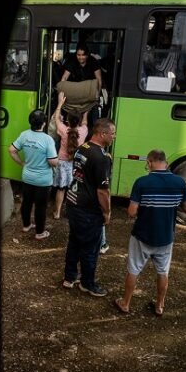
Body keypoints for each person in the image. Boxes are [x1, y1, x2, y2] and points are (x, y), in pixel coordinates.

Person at [114, 149, 186, 317]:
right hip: (165, 236)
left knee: (133, 269)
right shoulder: (179, 182)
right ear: (166, 163)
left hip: (142, 234)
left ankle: (125, 303)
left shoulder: (142, 182)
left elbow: (131, 212)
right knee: (163, 271)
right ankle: (159, 305)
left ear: (149, 163)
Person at [62, 118, 115, 297]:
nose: (114, 136)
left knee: (74, 241)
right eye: (112, 133)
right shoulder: (101, 157)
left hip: (73, 202)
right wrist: (107, 212)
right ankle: (87, 283)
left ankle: (69, 277)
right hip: (88, 209)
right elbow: (103, 191)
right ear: (102, 134)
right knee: (91, 249)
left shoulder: (82, 148)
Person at [9, 109, 59, 240]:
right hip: (43, 180)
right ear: (44, 123)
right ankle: (40, 233)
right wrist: (58, 160)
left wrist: (22, 163)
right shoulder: (48, 139)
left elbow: (12, 150)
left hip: (27, 177)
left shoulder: (24, 135)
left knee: (26, 202)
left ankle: (26, 225)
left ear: (30, 122)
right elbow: (53, 162)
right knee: (40, 207)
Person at [51, 92, 88, 220]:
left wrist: (60, 103)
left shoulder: (63, 129)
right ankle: (70, 212)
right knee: (73, 189)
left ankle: (57, 213)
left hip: (62, 163)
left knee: (61, 189)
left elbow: (56, 117)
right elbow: (85, 122)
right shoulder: (83, 131)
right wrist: (86, 111)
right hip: (76, 164)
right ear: (79, 121)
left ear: (67, 119)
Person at [60, 43, 103, 124]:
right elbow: (64, 77)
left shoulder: (93, 62)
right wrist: (62, 90)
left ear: (87, 55)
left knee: (94, 106)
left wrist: (97, 93)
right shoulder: (72, 62)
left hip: (90, 89)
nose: (80, 57)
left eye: (83, 55)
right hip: (76, 89)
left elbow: (99, 79)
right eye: (78, 55)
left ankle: (91, 125)